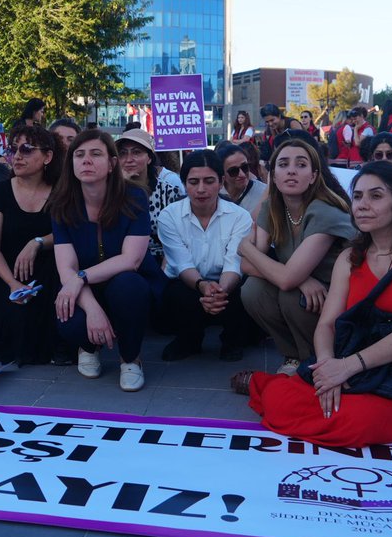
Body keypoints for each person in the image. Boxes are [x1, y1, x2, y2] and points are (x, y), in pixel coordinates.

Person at [235, 161, 392, 448]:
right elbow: (327, 324)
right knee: (282, 402)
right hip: (349, 366)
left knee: (358, 423)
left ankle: (267, 384)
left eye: (376, 196)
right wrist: (327, 369)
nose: (362, 205)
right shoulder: (350, 258)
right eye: (358, 196)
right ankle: (265, 384)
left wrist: (346, 367)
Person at [51, 130, 164, 391]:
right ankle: (88, 346)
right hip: (87, 288)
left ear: (112, 163)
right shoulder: (61, 204)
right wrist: (92, 308)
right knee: (68, 317)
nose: (86, 160)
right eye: (79, 155)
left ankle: (130, 358)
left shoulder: (134, 196)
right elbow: (66, 268)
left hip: (127, 282)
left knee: (128, 285)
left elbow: (131, 260)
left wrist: (80, 278)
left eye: (96, 154)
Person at [238, 138, 356, 375]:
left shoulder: (325, 210)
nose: (291, 170)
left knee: (291, 295)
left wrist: (244, 246)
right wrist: (300, 279)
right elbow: (247, 266)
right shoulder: (273, 206)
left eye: (301, 165)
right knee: (253, 289)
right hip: (304, 286)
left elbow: (280, 275)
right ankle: (293, 355)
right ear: (273, 175)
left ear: (313, 176)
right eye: (283, 164)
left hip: (342, 294)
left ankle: (314, 359)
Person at [157, 150, 254, 362]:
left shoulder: (240, 217)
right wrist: (202, 286)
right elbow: (181, 263)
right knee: (176, 293)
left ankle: (232, 340)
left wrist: (219, 291)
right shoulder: (169, 216)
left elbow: (234, 262)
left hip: (226, 283)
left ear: (221, 182)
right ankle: (188, 340)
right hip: (188, 282)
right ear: (184, 184)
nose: (201, 189)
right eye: (193, 182)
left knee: (245, 290)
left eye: (209, 181)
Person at [0, 125, 62, 365]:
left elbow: (68, 233)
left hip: (50, 271)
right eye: (13, 149)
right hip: (6, 272)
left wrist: (37, 242)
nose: (17, 156)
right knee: (15, 322)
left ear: (47, 156)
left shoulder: (61, 191)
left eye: (26, 149)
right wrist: (13, 284)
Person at [114, 129, 185, 261]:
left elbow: (180, 239)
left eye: (136, 152)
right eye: (123, 153)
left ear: (149, 158)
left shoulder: (169, 192)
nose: (129, 159)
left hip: (163, 260)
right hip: (120, 261)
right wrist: (121, 187)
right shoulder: (110, 192)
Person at [216, 143, 267, 221]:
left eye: (244, 167)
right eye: (233, 171)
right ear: (222, 174)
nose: (242, 174)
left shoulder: (264, 193)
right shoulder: (214, 195)